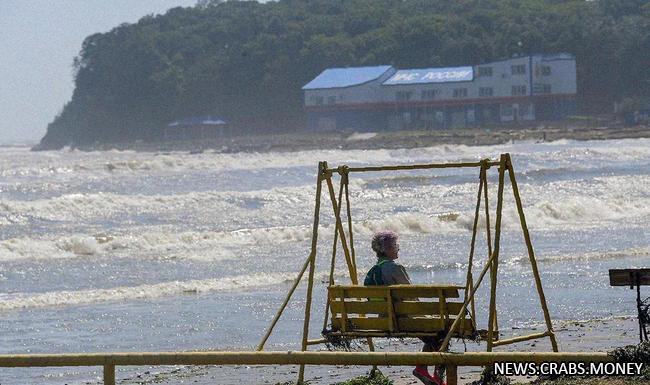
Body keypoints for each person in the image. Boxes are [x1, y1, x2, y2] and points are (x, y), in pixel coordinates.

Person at [364, 230, 446, 385]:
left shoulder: (372, 272)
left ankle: (422, 369)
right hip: (401, 320)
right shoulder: (395, 268)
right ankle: (436, 377)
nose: (398, 248)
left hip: (382, 321)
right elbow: (411, 296)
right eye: (395, 245)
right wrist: (428, 314)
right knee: (440, 334)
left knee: (432, 336)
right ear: (386, 249)